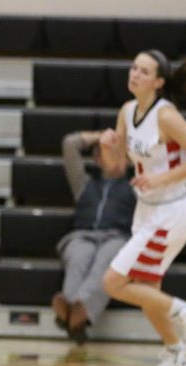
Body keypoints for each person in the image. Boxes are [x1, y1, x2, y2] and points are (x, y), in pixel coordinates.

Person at [100, 50, 186, 366]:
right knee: (147, 287)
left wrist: (159, 179)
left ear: (159, 81)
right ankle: (179, 355)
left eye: (144, 71)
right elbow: (117, 167)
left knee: (114, 282)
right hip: (146, 210)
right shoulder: (127, 111)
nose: (135, 74)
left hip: (172, 211)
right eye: (133, 67)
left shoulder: (166, 116)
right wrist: (110, 146)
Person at [52, 131, 137, 344]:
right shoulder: (83, 183)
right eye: (111, 153)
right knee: (79, 256)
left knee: (107, 260)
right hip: (82, 235)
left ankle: (72, 310)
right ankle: (77, 315)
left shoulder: (137, 186)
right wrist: (102, 137)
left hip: (117, 237)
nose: (118, 159)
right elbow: (69, 143)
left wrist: (126, 141)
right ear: (98, 158)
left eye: (122, 155)